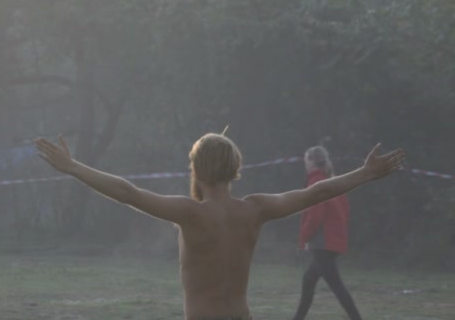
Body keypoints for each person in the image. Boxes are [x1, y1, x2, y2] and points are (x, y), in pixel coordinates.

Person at [35, 134, 404, 320]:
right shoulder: (255, 210)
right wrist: (366, 173)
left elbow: (126, 192)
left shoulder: (190, 214)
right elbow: (318, 192)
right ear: (236, 168)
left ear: (194, 169)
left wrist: (74, 168)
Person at [292, 146, 362, 320]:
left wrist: (304, 237)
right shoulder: (332, 181)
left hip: (322, 243)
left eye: (306, 160)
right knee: (308, 280)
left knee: (337, 286)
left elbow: (315, 215)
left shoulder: (316, 183)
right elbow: (344, 212)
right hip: (331, 242)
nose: (305, 164)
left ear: (313, 162)